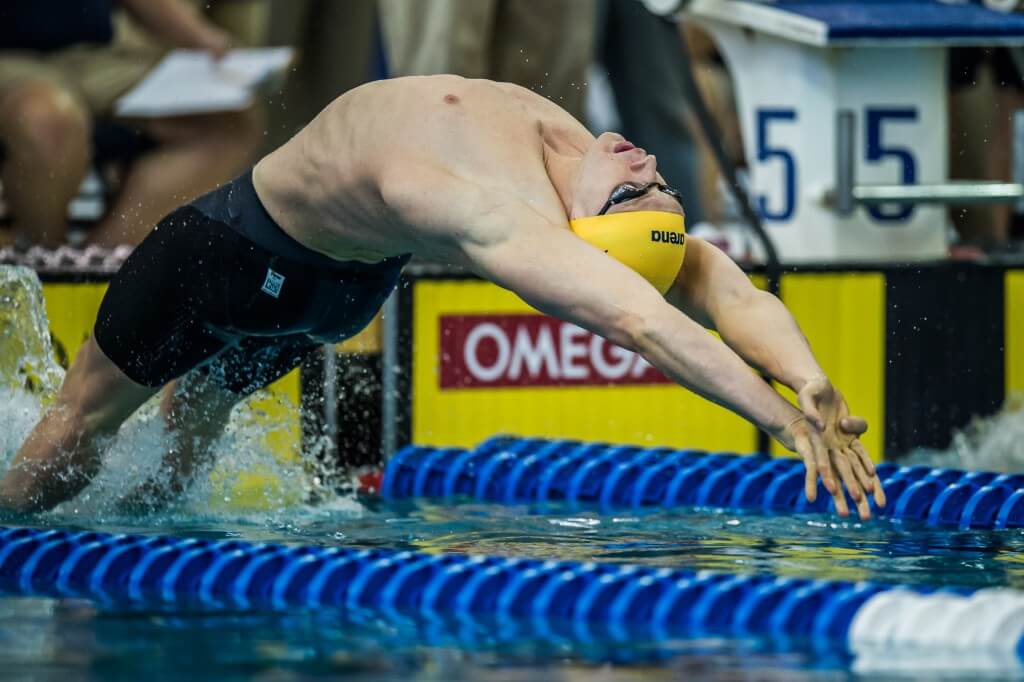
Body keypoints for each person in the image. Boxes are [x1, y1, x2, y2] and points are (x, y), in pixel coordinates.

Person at [0, 75, 886, 519]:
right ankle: (142, 537)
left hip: (227, 253)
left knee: (80, 418)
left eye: (633, 193)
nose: (646, 167)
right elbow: (718, 284)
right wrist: (804, 377)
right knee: (186, 436)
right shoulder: (582, 161)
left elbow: (639, 316)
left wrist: (779, 423)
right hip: (333, 293)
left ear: (583, 233)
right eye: (656, 188)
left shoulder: (487, 210)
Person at [0, 0, 262, 249]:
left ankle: (101, 263)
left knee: (227, 120)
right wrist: (201, 38)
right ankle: (43, 261)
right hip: (13, 54)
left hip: (91, 54)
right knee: (48, 122)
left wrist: (202, 40)